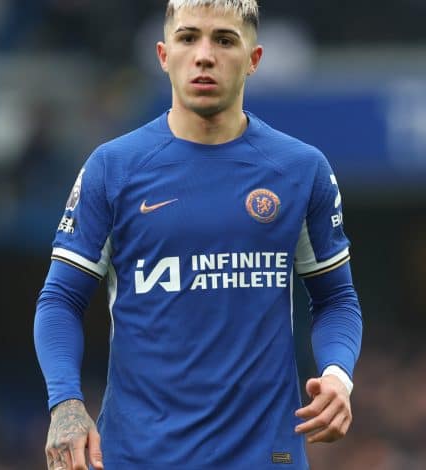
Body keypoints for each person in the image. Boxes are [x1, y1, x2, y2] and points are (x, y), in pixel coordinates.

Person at [33, 1, 363, 469]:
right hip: (138, 457)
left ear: (254, 59)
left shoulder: (300, 169)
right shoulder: (113, 168)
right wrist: (65, 402)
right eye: (188, 38)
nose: (204, 55)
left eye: (224, 40)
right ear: (164, 55)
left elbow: (336, 298)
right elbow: (60, 299)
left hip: (264, 457)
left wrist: (337, 375)